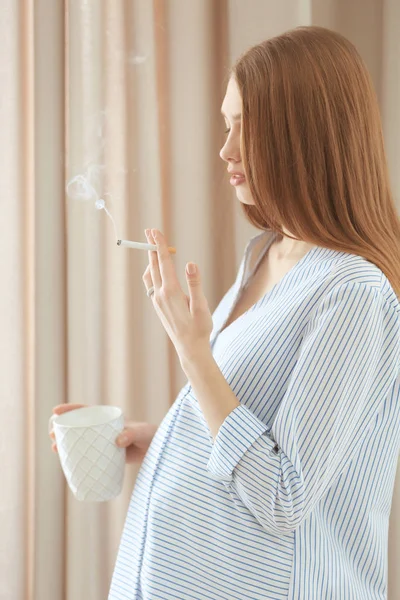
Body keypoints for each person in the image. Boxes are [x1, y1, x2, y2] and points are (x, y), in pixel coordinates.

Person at [50, 25, 400, 600]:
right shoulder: (266, 253)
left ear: (303, 135)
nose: (226, 149)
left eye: (246, 126)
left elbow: (284, 494)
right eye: (226, 122)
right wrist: (160, 438)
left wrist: (192, 349)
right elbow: (258, 427)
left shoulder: (353, 293)